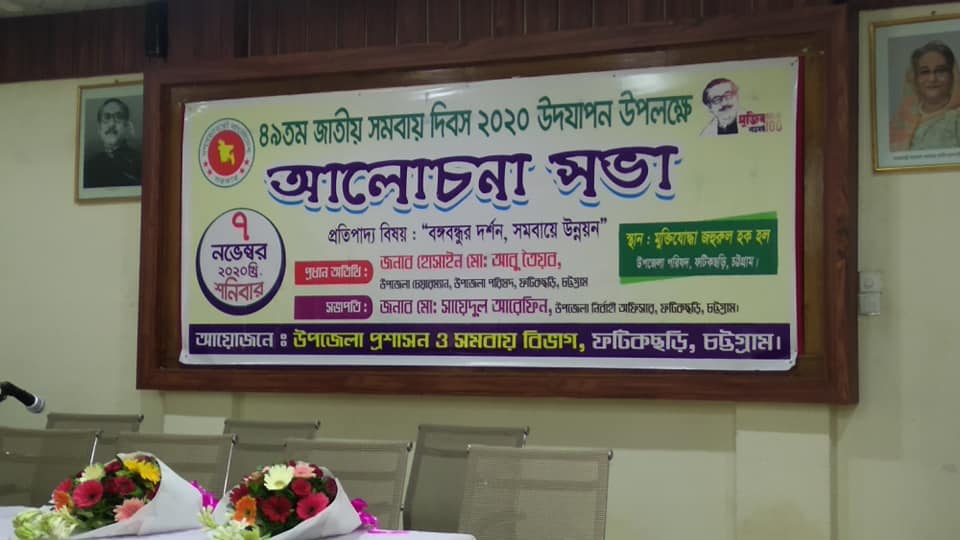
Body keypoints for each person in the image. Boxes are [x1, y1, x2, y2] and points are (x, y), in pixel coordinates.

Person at [889, 40, 960, 152]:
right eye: (925, 72)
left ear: (953, 76)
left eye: (940, 71)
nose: (932, 79)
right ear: (915, 79)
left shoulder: (956, 119)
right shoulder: (899, 122)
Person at [83, 98, 141, 188]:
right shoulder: (88, 166)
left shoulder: (140, 162)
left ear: (126, 126)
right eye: (107, 117)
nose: (112, 124)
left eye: (118, 117)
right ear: (99, 128)